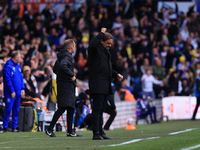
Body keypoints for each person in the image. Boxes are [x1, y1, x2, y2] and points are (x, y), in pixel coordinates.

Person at [88, 28, 123, 140]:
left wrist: (116, 74)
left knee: (101, 108)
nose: (109, 45)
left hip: (105, 84)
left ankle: (101, 131)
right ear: (102, 41)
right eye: (108, 43)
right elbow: (93, 43)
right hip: (97, 84)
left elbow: (107, 69)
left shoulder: (105, 53)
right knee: (97, 108)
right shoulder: (94, 50)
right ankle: (96, 133)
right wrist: (101, 33)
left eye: (111, 44)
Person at [45, 39, 81, 137]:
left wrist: (63, 77)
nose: (75, 48)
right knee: (63, 107)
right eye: (74, 46)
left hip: (64, 85)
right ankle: (49, 129)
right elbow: (63, 66)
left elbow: (56, 69)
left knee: (70, 108)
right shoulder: (67, 56)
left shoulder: (61, 56)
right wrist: (71, 75)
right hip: (66, 86)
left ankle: (70, 131)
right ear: (71, 47)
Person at [3, 51, 25, 132]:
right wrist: (12, 91)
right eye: (20, 56)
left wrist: (23, 88)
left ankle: (14, 127)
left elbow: (21, 78)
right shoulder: (8, 66)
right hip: (10, 93)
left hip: (18, 92)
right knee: (8, 109)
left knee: (16, 110)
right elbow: (7, 79)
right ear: (16, 57)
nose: (21, 58)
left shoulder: (18, 66)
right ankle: (5, 127)